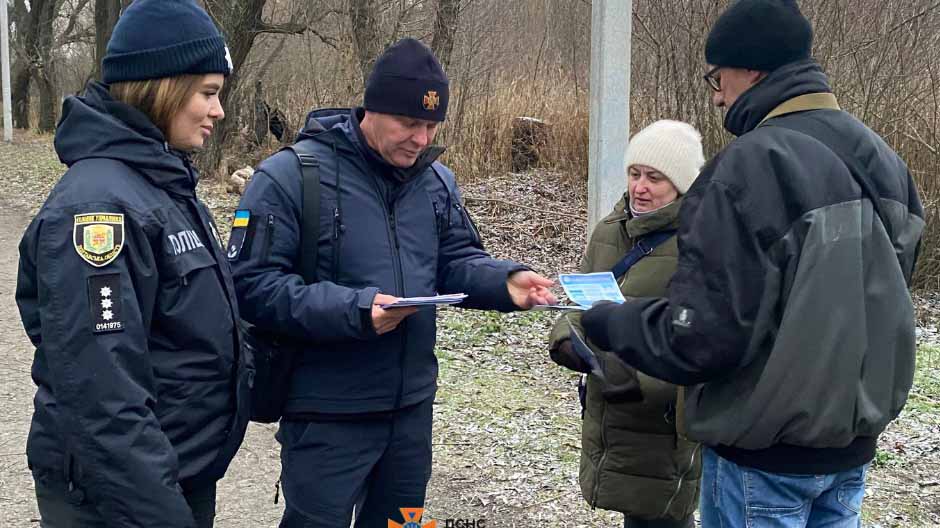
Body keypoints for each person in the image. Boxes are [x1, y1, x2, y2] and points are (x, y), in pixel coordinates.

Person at [580, 1, 925, 527]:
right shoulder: (883, 160)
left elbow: (702, 338)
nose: (716, 95)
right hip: (850, 450)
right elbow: (882, 300)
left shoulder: (751, 166)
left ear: (753, 70)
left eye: (716, 77)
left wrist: (609, 318)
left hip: (761, 460)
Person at [228, 37, 556, 527]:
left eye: (431, 126)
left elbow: (456, 261)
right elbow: (251, 286)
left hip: (409, 414)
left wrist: (504, 281)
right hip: (326, 414)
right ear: (371, 110)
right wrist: (356, 310)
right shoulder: (291, 177)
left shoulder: (436, 182)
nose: (421, 139)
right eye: (409, 123)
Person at [15, 1, 248, 526]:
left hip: (172, 474)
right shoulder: (98, 208)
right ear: (160, 88)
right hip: (121, 497)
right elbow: (103, 397)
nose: (219, 112)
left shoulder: (160, 182)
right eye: (208, 93)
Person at [548, 120, 704, 528]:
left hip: (663, 426)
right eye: (635, 174)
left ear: (682, 185)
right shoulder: (607, 233)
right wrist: (567, 341)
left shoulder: (699, 243)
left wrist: (634, 375)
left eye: (655, 178)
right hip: (609, 413)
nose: (640, 187)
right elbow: (576, 306)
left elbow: (701, 344)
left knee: (664, 517)